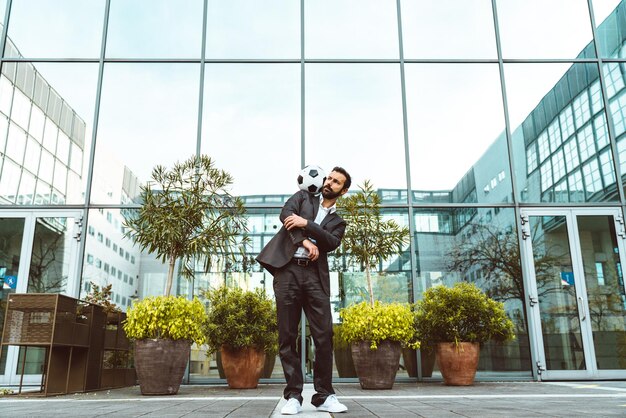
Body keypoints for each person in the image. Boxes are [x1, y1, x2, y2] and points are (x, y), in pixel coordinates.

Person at [256, 167, 351, 415]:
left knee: (324, 335)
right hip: (287, 271)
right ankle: (294, 396)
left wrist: (306, 223)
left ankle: (324, 395)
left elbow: (331, 242)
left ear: (344, 190)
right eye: (329, 178)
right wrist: (304, 239)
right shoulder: (302, 196)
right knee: (287, 335)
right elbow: (286, 215)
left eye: (336, 181)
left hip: (314, 276)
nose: (329, 182)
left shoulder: (339, 222)